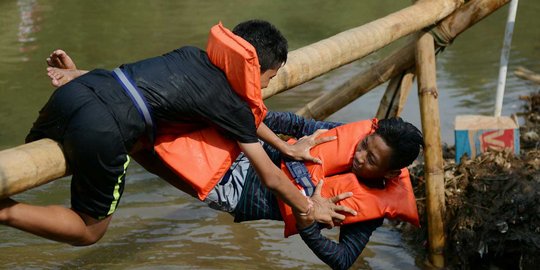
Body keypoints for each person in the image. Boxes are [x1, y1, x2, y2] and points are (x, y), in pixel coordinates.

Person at [45, 52, 424, 269]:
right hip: (254, 151)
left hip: (237, 189)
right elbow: (295, 122)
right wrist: (253, 121)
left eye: (370, 159)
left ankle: (92, 89)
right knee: (188, 111)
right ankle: (94, 81)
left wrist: (307, 220)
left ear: (390, 173)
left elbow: (341, 260)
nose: (358, 155)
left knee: (149, 146)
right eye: (364, 145)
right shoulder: (354, 138)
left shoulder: (368, 212)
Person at [0, 20, 354, 246]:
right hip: (104, 126)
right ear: (256, 68)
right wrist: (310, 206)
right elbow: (272, 178)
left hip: (76, 93)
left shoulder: (191, 57)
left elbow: (136, 81)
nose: (267, 86)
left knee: (20, 170)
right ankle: (5, 213)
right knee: (89, 229)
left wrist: (285, 147)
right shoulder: (228, 102)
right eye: (271, 78)